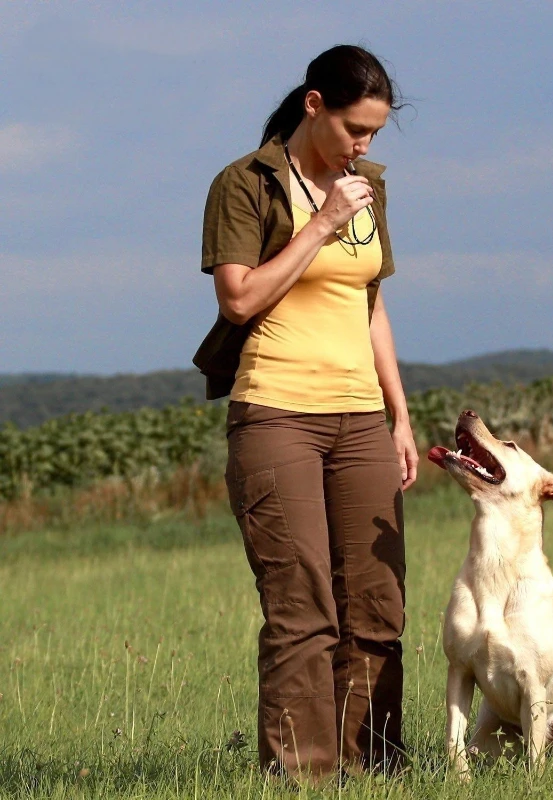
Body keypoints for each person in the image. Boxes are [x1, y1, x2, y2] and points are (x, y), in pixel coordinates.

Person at [193, 45, 418, 779]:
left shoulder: (367, 187)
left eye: (376, 135)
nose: (364, 145)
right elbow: (240, 298)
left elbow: (370, 305)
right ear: (314, 105)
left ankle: (377, 771)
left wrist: (400, 415)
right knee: (303, 609)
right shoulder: (245, 183)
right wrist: (319, 223)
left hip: (361, 420)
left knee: (378, 609)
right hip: (277, 414)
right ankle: (303, 778)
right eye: (356, 129)